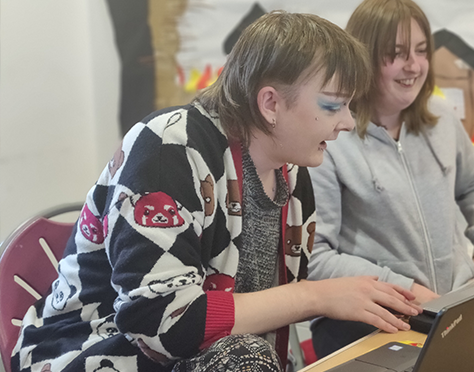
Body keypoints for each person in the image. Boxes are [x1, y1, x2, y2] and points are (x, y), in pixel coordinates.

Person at [11, 11, 422, 372]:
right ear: (270, 104)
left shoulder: (293, 173)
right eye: (334, 106)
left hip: (219, 358)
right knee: (243, 357)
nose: (348, 122)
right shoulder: (165, 149)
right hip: (97, 354)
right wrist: (313, 296)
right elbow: (161, 324)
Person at [307, 0, 474, 358]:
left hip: (451, 309)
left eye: (421, 51)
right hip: (376, 322)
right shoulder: (330, 140)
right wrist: (405, 288)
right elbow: (317, 258)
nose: (413, 65)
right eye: (395, 53)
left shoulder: (442, 117)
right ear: (364, 59)